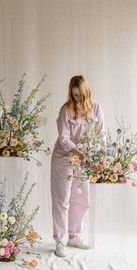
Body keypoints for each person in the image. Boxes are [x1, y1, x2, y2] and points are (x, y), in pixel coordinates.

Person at [50, 75, 105, 257]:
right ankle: (60, 240)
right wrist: (82, 154)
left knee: (82, 199)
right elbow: (64, 139)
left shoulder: (96, 108)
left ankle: (74, 235)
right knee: (62, 198)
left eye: (80, 95)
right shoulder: (66, 110)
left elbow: (101, 134)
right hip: (65, 156)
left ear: (86, 92)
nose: (77, 98)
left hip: (85, 158)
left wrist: (98, 156)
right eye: (74, 95)